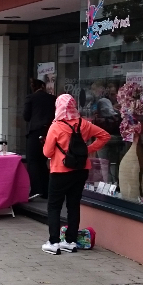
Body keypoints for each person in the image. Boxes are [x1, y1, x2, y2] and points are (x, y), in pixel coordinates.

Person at [41, 94, 111, 255]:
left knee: (54, 206)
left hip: (60, 170)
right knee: (73, 205)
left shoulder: (56, 126)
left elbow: (46, 152)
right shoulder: (84, 124)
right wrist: (87, 150)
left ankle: (53, 242)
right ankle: (70, 241)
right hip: (81, 170)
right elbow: (104, 136)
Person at [23, 79, 56, 200]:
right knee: (43, 161)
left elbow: (26, 116)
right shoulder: (52, 98)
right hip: (49, 131)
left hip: (34, 131)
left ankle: (36, 190)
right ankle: (46, 190)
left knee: (32, 161)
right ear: (43, 86)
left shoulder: (30, 98)